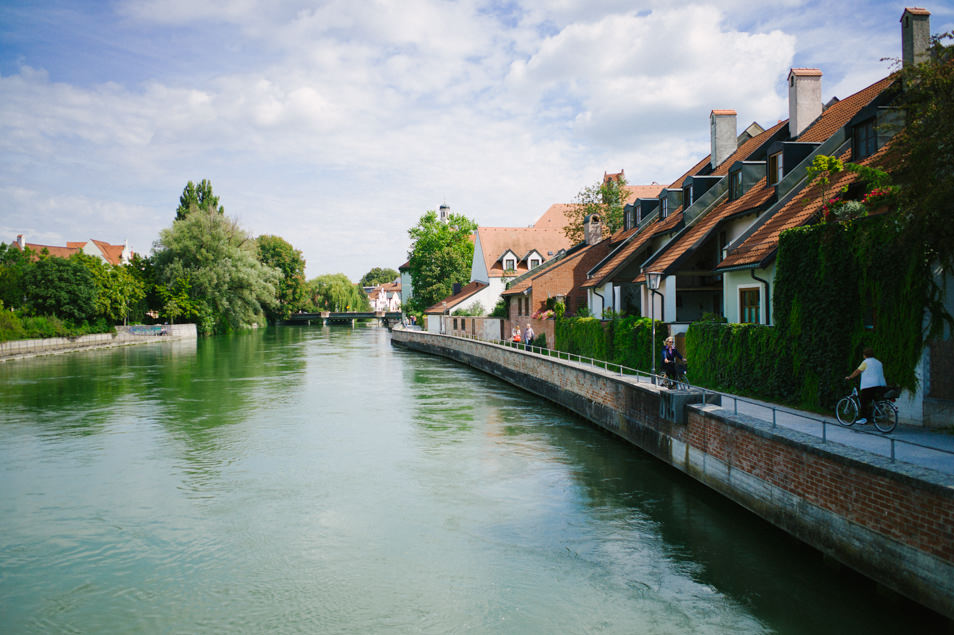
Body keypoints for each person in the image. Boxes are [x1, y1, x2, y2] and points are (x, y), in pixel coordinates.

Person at [845, 347, 887, 424]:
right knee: (873, 400)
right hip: (880, 385)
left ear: (865, 355)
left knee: (863, 401)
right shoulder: (878, 362)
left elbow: (857, 371)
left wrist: (850, 377)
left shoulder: (866, 362)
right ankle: (874, 415)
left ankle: (864, 418)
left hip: (869, 385)